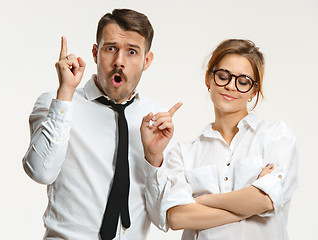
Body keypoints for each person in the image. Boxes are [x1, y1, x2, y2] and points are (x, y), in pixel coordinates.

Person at [22, 9, 181, 240]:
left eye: (132, 52)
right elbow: (40, 172)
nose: (119, 62)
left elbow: (161, 218)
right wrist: (65, 93)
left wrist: (154, 158)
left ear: (146, 61)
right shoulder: (58, 102)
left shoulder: (156, 119)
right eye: (111, 48)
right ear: (96, 53)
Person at [141, 39, 298, 239]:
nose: (231, 86)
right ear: (209, 79)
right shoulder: (184, 153)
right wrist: (249, 200)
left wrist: (198, 202)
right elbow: (177, 218)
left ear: (254, 91)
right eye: (223, 76)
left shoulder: (276, 136)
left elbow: (266, 201)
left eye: (243, 82)